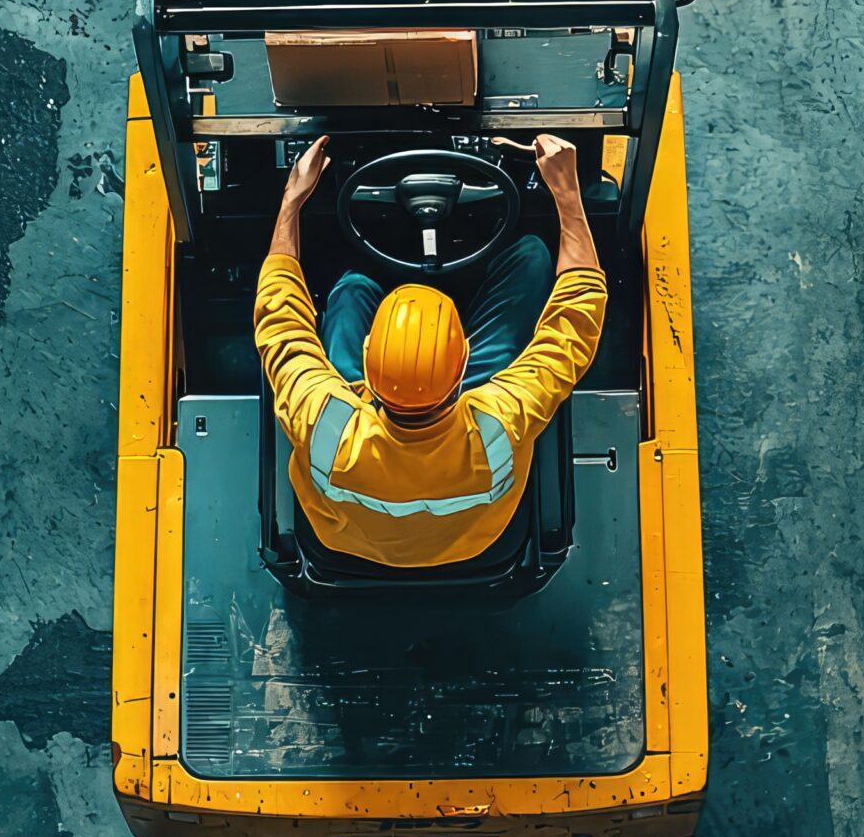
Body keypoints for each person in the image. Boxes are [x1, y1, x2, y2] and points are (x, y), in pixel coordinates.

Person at [254, 133, 606, 567]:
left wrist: (291, 200)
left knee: (352, 287)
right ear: (465, 364)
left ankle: (359, 280)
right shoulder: (501, 419)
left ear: (366, 362)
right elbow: (575, 323)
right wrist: (567, 194)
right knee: (532, 254)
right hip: (473, 541)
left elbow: (279, 319)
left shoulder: (323, 417)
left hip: (346, 539)